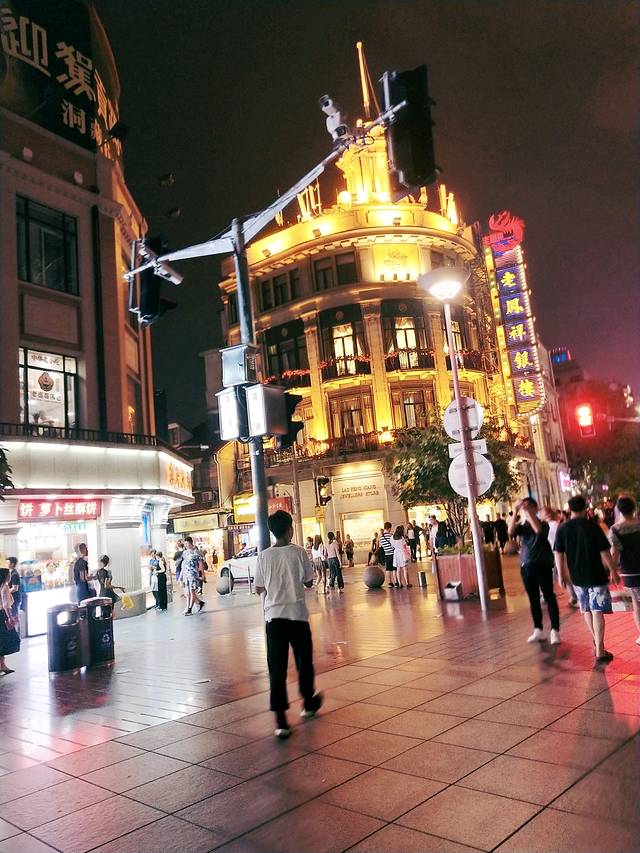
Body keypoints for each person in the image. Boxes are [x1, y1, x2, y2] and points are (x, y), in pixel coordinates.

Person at [254, 510, 323, 738]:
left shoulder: (264, 556)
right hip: (297, 616)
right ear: (289, 529)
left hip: (274, 618)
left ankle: (281, 721)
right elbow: (309, 582)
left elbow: (259, 587)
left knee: (277, 668)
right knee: (304, 662)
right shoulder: (299, 552)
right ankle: (308, 703)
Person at [554, 495, 620, 663]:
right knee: (597, 610)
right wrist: (613, 571)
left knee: (586, 609)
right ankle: (600, 649)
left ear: (569, 509)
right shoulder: (593, 527)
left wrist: (561, 575)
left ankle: (598, 644)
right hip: (597, 574)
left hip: (577, 576)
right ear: (585, 508)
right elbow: (604, 551)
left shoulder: (563, 529)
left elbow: (558, 553)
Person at [509, 498, 560, 644]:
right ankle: (538, 629)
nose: (526, 509)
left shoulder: (543, 524)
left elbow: (538, 531)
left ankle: (555, 630)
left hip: (542, 564)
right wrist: (515, 511)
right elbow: (510, 531)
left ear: (536, 508)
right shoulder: (522, 525)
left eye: (530, 506)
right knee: (533, 599)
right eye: (525, 507)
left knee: (549, 596)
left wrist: (528, 512)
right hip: (526, 565)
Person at [608, 495, 640, 647]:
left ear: (619, 510)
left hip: (630, 571)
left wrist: (613, 571)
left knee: (637, 604)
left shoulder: (615, 529)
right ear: (634, 508)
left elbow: (615, 552)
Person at [0, 568, 20, 674]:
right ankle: (2, 665)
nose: (10, 576)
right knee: (6, 640)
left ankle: (2, 665)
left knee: (2, 641)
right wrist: (10, 617)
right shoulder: (5, 587)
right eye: (9, 574)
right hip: (3, 615)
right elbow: (6, 605)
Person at [181, 536, 205, 615]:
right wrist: (182, 575)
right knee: (188, 592)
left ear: (191, 543)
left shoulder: (196, 552)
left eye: (187, 543)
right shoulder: (185, 553)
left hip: (193, 574)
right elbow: (184, 564)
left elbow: (201, 564)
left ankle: (190, 609)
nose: (186, 545)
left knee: (192, 592)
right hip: (186, 574)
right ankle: (199, 603)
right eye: (185, 544)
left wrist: (202, 574)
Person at [380, 522, 397, 587]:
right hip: (392, 554)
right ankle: (396, 582)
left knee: (388, 569)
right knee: (394, 569)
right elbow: (393, 545)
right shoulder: (391, 536)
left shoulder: (381, 537)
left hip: (386, 554)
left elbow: (382, 546)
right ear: (389, 528)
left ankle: (390, 583)